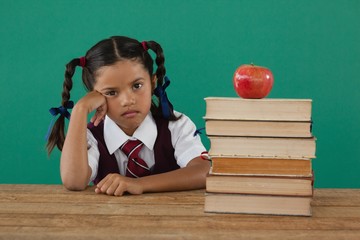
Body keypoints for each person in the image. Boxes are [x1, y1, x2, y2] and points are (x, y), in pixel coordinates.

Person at [46, 36, 210, 196]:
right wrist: (80, 110)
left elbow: (204, 172)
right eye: (111, 92)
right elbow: (74, 182)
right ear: (95, 98)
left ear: (153, 83)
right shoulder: (92, 136)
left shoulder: (175, 125)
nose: (127, 100)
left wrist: (139, 184)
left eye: (137, 85)